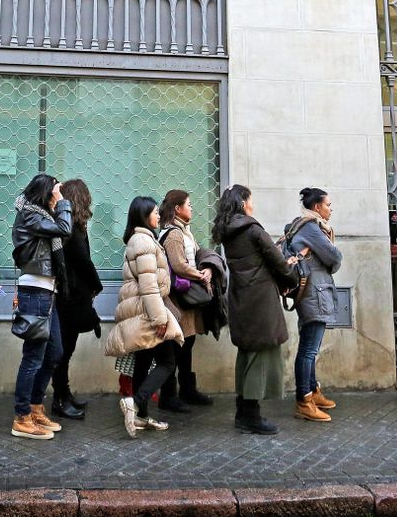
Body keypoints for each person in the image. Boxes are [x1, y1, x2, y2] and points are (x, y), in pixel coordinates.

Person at [215, 184, 298, 435]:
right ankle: (251, 416)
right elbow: (278, 262)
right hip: (261, 300)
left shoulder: (227, 230)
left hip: (241, 297)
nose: (253, 205)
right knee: (259, 355)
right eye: (250, 200)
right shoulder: (252, 229)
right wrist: (291, 277)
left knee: (246, 353)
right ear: (243, 203)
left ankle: (243, 412)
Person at [104, 195, 184, 438]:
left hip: (143, 310)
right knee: (168, 362)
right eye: (155, 212)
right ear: (143, 215)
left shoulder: (139, 239)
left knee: (143, 362)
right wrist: (160, 319)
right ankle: (136, 403)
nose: (159, 215)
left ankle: (140, 416)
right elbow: (148, 285)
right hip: (149, 311)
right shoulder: (143, 241)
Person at [9, 172, 72, 440]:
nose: (59, 196)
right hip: (35, 290)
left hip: (47, 290)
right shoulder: (30, 215)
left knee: (54, 353)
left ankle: (35, 407)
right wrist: (63, 202)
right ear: (46, 193)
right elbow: (65, 229)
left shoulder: (42, 217)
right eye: (55, 191)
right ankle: (22, 416)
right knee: (33, 356)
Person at [286, 187, 343, 422]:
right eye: (328, 205)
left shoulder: (307, 226)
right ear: (317, 207)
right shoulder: (310, 227)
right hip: (314, 294)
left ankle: (312, 391)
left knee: (311, 347)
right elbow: (335, 257)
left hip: (314, 292)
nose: (331, 209)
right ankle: (304, 400)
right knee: (308, 349)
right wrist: (331, 261)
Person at [157, 188, 212, 413]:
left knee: (187, 343)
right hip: (178, 298)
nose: (192, 208)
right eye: (189, 204)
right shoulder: (174, 234)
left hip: (186, 297)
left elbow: (196, 255)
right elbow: (179, 265)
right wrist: (200, 275)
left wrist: (208, 268)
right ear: (177, 208)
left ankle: (187, 390)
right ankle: (169, 395)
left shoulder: (184, 231)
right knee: (176, 345)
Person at [50, 178, 100, 420]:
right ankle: (60, 399)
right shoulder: (71, 228)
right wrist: (97, 284)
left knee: (66, 350)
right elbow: (83, 261)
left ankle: (64, 394)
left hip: (70, 295)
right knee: (64, 350)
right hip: (70, 297)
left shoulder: (71, 226)